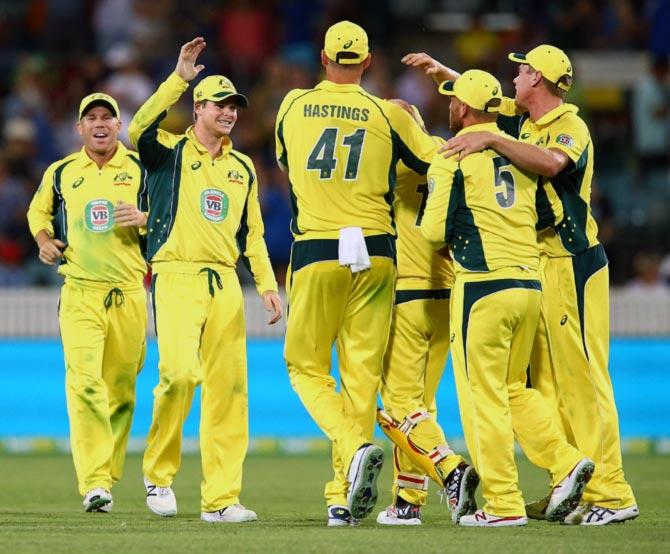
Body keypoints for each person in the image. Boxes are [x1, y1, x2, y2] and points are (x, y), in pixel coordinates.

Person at [410, 45, 639, 525]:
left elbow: (552, 163)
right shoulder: (525, 122)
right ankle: (572, 482)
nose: (514, 74)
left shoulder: (568, 127)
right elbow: (483, 108)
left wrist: (490, 142)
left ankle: (614, 495)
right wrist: (445, 75)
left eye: (521, 69)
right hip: (536, 267)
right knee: (547, 386)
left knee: (585, 382)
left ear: (538, 78)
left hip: (572, 261)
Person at [275, 21, 436, 526]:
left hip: (319, 247)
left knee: (304, 365)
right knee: (361, 377)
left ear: (322, 58)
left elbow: (287, 164)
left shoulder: (293, 105)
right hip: (379, 251)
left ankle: (352, 448)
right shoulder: (388, 113)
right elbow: (437, 162)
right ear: (368, 62)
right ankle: (341, 497)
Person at [128, 37, 282, 524]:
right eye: (220, 104)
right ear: (198, 107)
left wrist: (269, 285)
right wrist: (179, 77)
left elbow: (252, 232)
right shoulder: (168, 153)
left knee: (229, 391)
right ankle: (158, 475)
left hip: (225, 283)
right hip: (175, 276)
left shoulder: (242, 167)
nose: (230, 113)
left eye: (234, 106)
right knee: (179, 375)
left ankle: (221, 499)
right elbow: (136, 128)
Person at [27, 92, 148, 512]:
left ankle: (106, 475)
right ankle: (95, 482)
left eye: (107, 118)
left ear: (119, 126)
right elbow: (37, 213)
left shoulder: (140, 168)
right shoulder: (61, 172)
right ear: (79, 128)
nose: (99, 124)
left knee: (122, 391)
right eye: (91, 118)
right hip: (80, 290)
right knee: (84, 384)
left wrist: (146, 219)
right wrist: (44, 241)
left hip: (130, 292)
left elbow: (169, 216)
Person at [376, 99, 478, 527]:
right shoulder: (448, 155)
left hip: (405, 292)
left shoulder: (387, 167)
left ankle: (450, 468)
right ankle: (407, 501)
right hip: (447, 292)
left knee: (394, 406)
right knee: (420, 406)